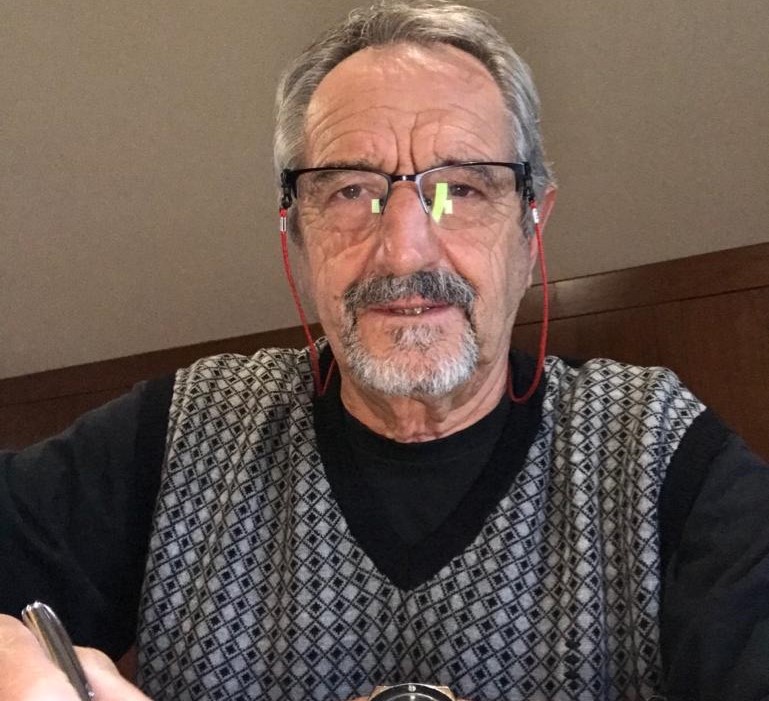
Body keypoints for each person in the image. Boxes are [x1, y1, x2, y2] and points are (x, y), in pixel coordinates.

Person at [1, 2, 768, 700]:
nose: (403, 249)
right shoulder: (185, 431)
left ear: (530, 226)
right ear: (296, 232)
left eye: (462, 189)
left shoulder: (654, 450)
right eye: (349, 191)